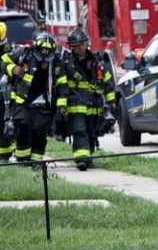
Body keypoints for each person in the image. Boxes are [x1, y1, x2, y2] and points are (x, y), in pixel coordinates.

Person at [1, 32, 68, 168]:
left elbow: (62, 83)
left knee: (40, 129)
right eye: (41, 56)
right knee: (23, 125)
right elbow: (2, 62)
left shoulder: (56, 62)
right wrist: (12, 69)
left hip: (44, 101)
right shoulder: (23, 53)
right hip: (21, 99)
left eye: (47, 57)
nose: (44, 60)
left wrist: (61, 105)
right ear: (35, 49)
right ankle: (22, 160)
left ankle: (37, 161)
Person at [62, 27, 116, 171]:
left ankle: (88, 156)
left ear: (86, 43)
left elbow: (107, 80)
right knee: (79, 129)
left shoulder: (96, 60)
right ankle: (81, 159)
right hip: (75, 103)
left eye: (82, 44)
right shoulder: (67, 62)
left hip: (94, 104)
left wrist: (111, 101)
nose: (80, 47)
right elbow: (60, 83)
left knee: (91, 131)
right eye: (76, 45)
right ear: (72, 47)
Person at [0, 23, 15, 162]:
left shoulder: (7, 49)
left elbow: (9, 64)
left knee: (6, 120)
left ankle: (5, 154)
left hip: (5, 90)